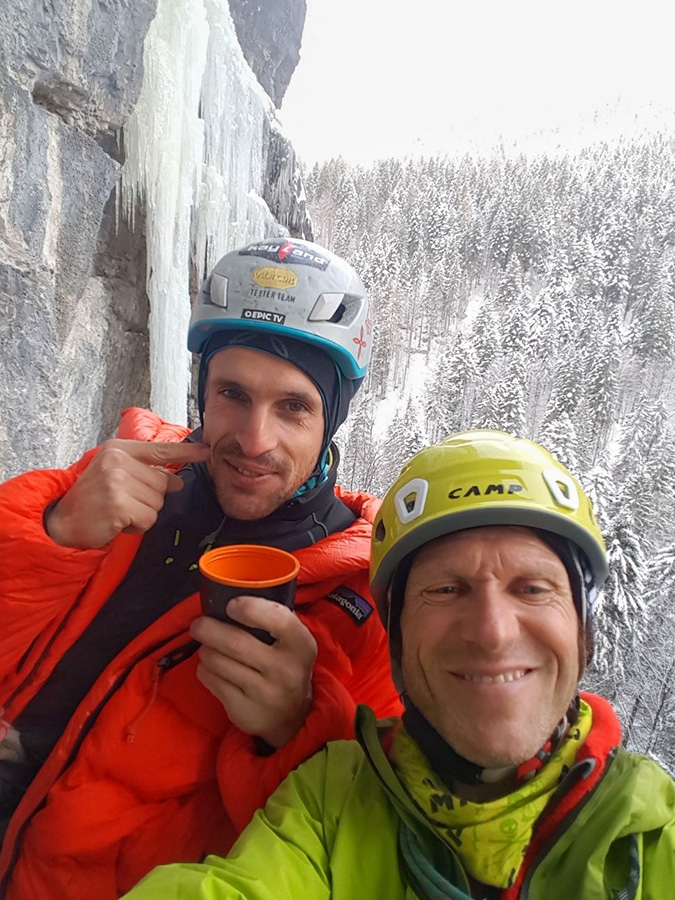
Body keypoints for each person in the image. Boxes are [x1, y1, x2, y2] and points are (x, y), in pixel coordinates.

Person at [0, 238, 401, 900]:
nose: (253, 439)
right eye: (233, 394)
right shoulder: (114, 479)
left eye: (293, 407)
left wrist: (297, 726)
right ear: (201, 392)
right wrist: (58, 534)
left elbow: (361, 849)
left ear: (332, 417)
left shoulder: (365, 602)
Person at [122, 430, 675, 899]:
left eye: (532, 588)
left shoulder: (654, 837)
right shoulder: (329, 805)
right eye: (447, 588)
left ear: (583, 630)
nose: (491, 631)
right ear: (399, 637)